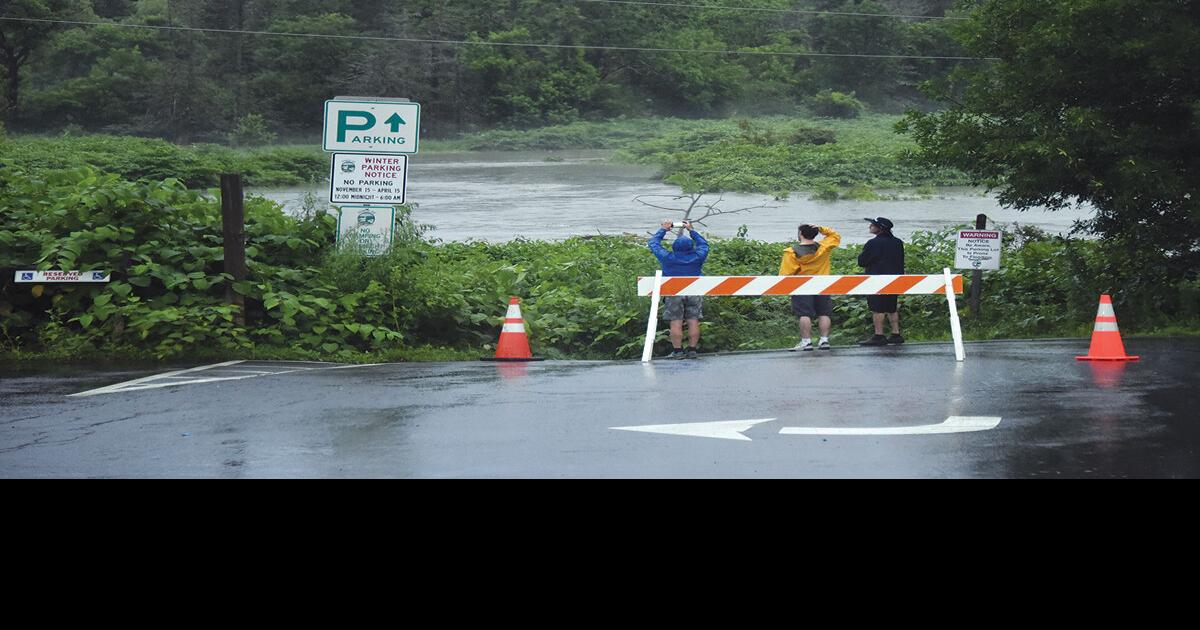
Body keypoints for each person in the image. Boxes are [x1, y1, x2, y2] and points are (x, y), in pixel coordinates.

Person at [649, 220, 710, 359]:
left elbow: (653, 244)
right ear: (691, 247)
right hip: (694, 291)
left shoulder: (667, 258)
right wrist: (691, 230)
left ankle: (678, 351)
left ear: (674, 247)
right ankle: (692, 350)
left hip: (674, 292)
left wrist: (663, 229)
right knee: (693, 320)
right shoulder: (698, 256)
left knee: (675, 321)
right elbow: (704, 245)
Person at [779, 224, 841, 351]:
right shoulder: (824, 247)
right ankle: (824, 340)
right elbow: (835, 236)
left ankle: (806, 341)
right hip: (822, 283)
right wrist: (821, 228)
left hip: (801, 285)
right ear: (815, 234)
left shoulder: (791, 252)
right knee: (824, 313)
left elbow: (786, 273)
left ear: (800, 233)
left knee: (804, 314)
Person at [857, 217, 905, 346]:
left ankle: (879, 335)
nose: (870, 227)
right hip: (895, 278)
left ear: (880, 229)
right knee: (892, 307)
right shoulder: (898, 242)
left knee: (877, 308)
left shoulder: (873, 243)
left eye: (872, 225)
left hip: (876, 278)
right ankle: (896, 333)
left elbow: (862, 262)